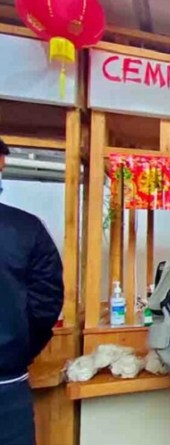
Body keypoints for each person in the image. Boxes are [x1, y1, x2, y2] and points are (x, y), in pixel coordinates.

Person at [0, 137, 64, 445]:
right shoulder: (24, 228)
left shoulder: (26, 228)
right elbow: (46, 303)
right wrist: (20, 350)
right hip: (6, 376)